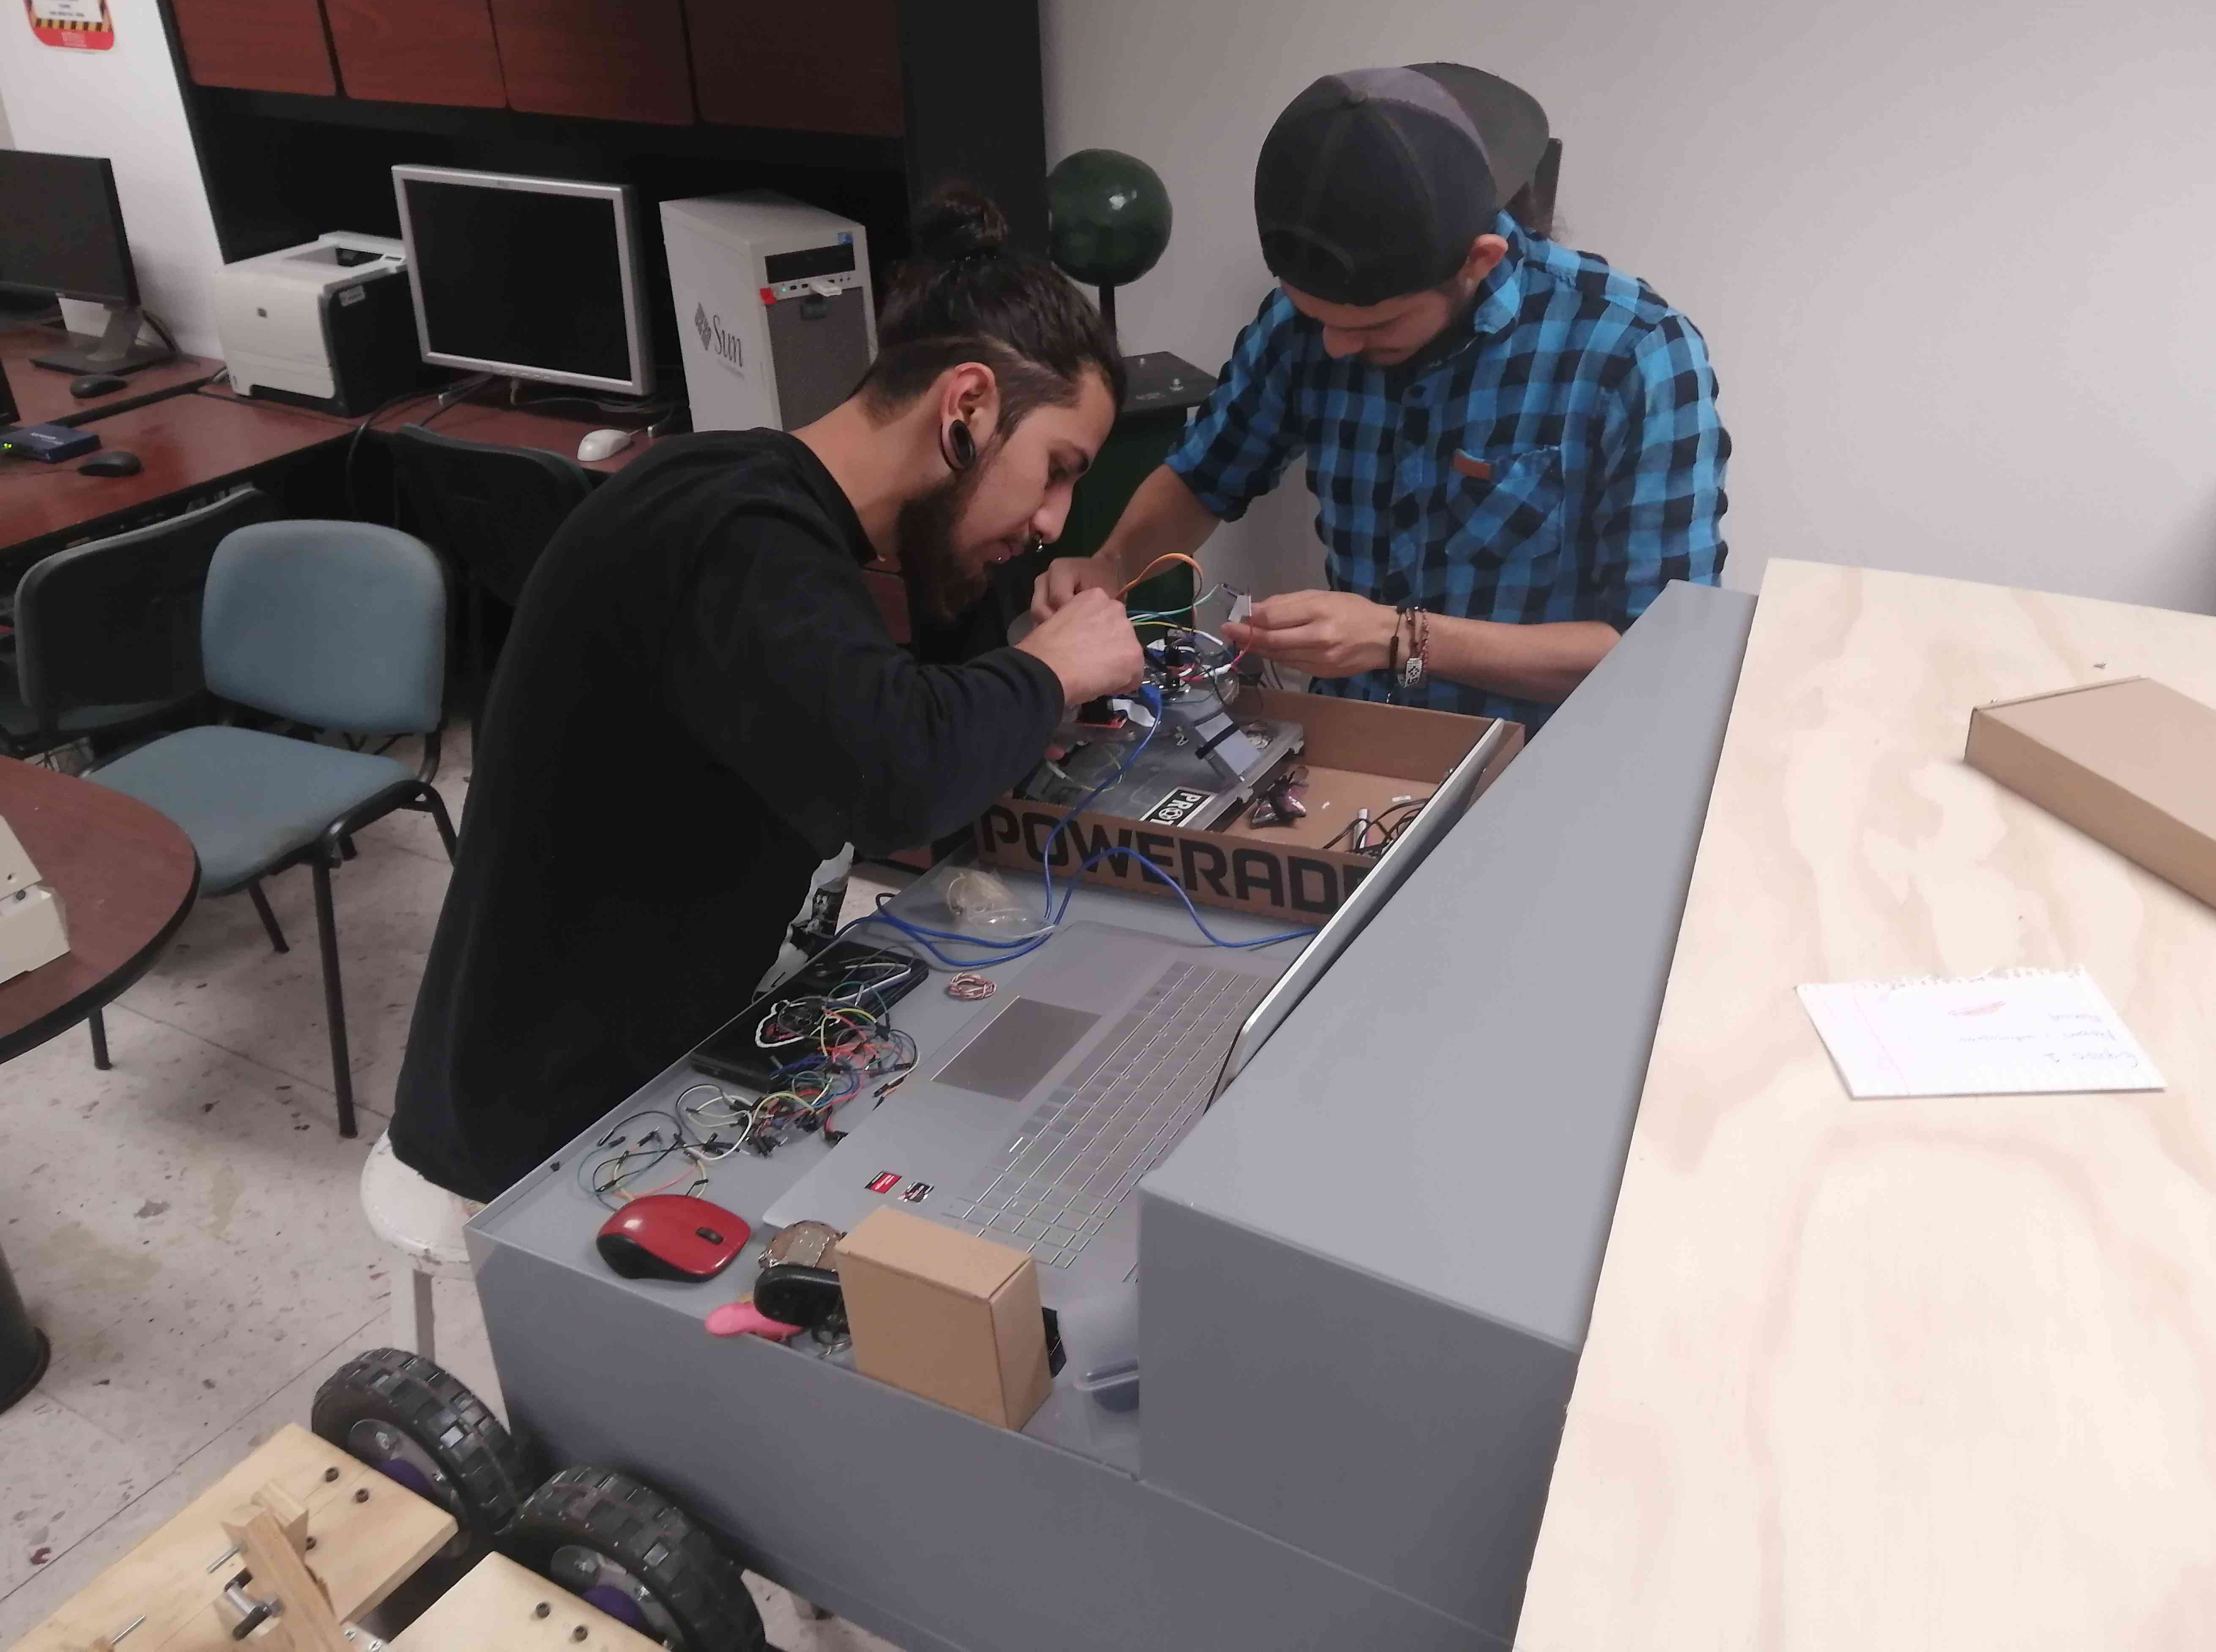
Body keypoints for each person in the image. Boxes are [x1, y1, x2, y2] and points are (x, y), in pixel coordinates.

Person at [391, 188, 1146, 1201]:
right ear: (965, 408)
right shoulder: (736, 536)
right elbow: (899, 779)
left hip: (672, 1049)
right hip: (557, 1129)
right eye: (1055, 471)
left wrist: (1015, 695)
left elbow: (891, 704)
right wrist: (1049, 670)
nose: (1054, 521)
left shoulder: (763, 501)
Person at [1034, 63, 1730, 734]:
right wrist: (1111, 565)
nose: (1335, 346)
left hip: (1541, 760)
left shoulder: (1634, 354)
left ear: (1478, 261)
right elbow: (1204, 476)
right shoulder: (1302, 326)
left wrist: (1402, 638)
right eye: (1316, 317)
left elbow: (1654, 649)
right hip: (1354, 745)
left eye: (1375, 327)